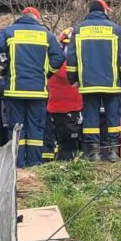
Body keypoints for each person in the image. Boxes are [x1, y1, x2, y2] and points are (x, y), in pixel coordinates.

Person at [0, 7, 64, 168]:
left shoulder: (9, 32)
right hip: (37, 91)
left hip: (14, 91)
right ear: (36, 19)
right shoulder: (46, 34)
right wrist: (46, 73)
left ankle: (17, 167)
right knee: (35, 130)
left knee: (16, 129)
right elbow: (59, 57)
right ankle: (34, 166)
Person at [67, 0, 121, 162]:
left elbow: (72, 57)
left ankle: (93, 153)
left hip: (88, 83)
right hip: (112, 83)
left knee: (90, 117)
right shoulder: (115, 29)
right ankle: (113, 151)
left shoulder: (79, 29)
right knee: (113, 117)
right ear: (104, 11)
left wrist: (73, 79)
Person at [47, 28, 83, 161]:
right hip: (63, 110)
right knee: (66, 145)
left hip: (72, 109)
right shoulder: (59, 63)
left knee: (72, 144)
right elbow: (69, 75)